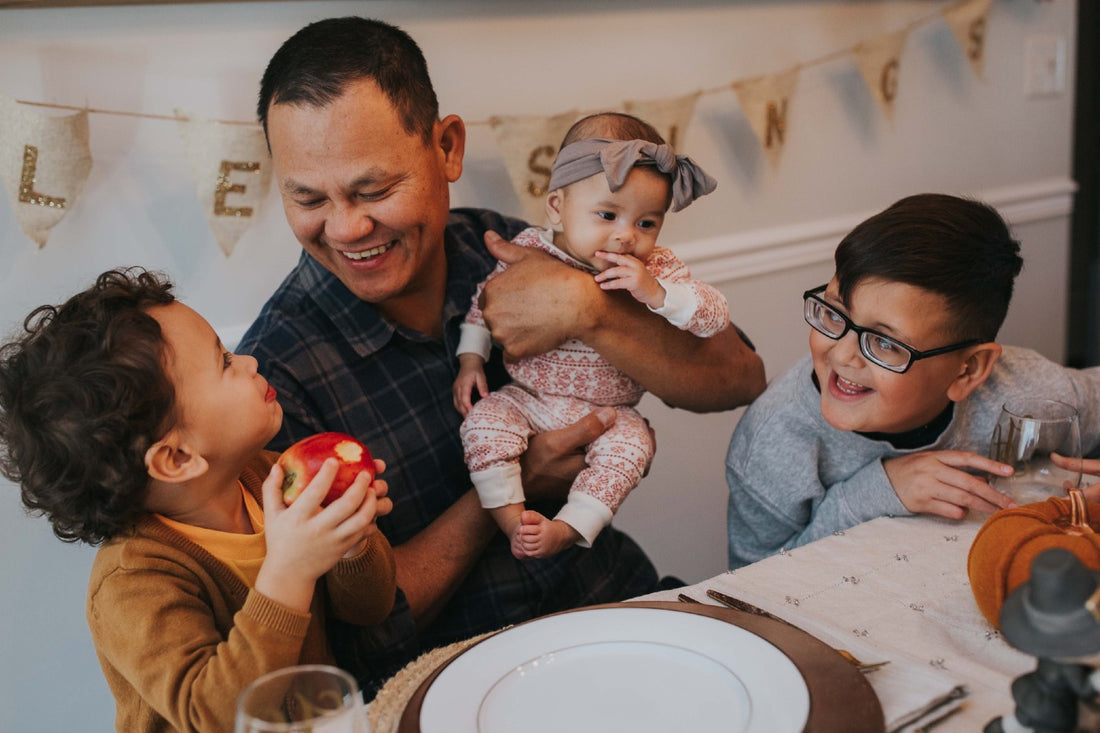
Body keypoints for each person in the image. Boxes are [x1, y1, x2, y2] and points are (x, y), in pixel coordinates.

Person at [238, 16, 765, 692]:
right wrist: (516, 489)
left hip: (613, 604)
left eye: (374, 190)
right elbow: (354, 634)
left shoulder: (506, 245)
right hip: (453, 680)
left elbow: (739, 374)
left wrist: (591, 309)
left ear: (448, 148)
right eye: (308, 197)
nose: (346, 227)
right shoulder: (275, 377)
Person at [0, 268, 396, 732]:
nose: (248, 360)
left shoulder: (273, 477)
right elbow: (214, 716)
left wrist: (350, 543)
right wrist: (290, 570)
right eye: (225, 363)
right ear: (176, 458)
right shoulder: (133, 582)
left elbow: (370, 609)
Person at [725, 193, 1100, 569]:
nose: (841, 355)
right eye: (835, 314)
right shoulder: (772, 439)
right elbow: (747, 586)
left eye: (885, 343)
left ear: (968, 370)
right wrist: (874, 495)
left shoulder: (1024, 393)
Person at [454, 112, 729, 559]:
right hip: (530, 398)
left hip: (611, 413)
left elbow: (713, 316)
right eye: (607, 214)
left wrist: (658, 294)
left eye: (646, 223)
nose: (625, 237)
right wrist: (470, 359)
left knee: (631, 450)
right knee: (484, 425)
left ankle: (570, 526)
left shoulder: (656, 269)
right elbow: (484, 302)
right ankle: (512, 520)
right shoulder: (531, 250)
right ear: (557, 207)